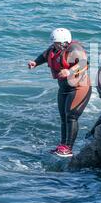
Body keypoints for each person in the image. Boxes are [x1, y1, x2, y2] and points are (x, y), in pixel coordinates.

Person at [28, 28, 91, 158]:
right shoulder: (54, 49)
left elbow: (84, 63)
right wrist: (35, 63)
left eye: (57, 43)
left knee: (71, 116)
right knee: (63, 117)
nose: (55, 45)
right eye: (54, 43)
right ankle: (62, 146)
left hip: (79, 87)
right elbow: (44, 56)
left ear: (65, 42)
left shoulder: (74, 49)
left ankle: (68, 149)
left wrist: (70, 71)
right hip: (64, 88)